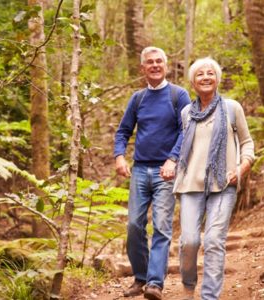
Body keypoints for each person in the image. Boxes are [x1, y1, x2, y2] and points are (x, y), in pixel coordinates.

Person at [173, 57, 255, 300]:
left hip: (223, 184)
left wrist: (241, 168)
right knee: (189, 241)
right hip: (190, 185)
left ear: (217, 79)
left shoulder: (231, 108)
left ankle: (210, 296)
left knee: (213, 240)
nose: (206, 77)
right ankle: (188, 287)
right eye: (200, 74)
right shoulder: (187, 112)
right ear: (192, 82)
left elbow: (247, 142)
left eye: (211, 73)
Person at [114, 46, 191, 300]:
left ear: (166, 66)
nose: (155, 65)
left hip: (165, 172)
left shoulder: (179, 95)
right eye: (150, 62)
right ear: (143, 68)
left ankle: (155, 283)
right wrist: (119, 156)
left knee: (162, 226)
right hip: (139, 170)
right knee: (135, 225)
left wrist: (172, 159)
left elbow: (186, 130)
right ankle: (141, 277)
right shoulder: (137, 99)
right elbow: (123, 131)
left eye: (159, 61)